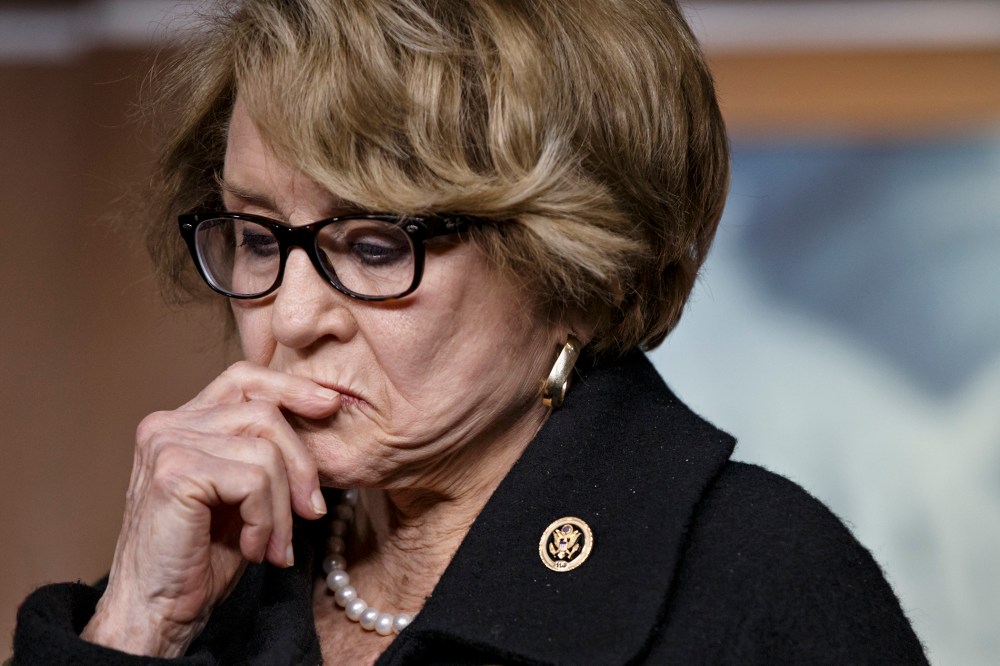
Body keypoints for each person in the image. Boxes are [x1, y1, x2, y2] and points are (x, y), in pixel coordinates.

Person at [12, 1, 927, 663]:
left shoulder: (761, 583)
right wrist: (135, 631)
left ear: (576, 266)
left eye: (373, 246)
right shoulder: (213, 581)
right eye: (258, 238)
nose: (288, 319)